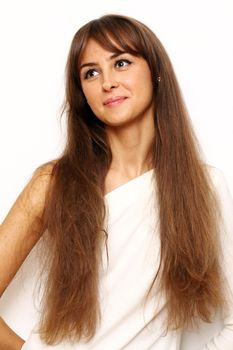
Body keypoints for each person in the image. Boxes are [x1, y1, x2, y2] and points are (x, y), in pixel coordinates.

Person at [0, 13, 233, 350]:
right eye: (91, 73)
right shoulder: (53, 183)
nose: (107, 82)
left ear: (155, 72)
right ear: (82, 93)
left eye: (121, 63)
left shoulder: (203, 187)